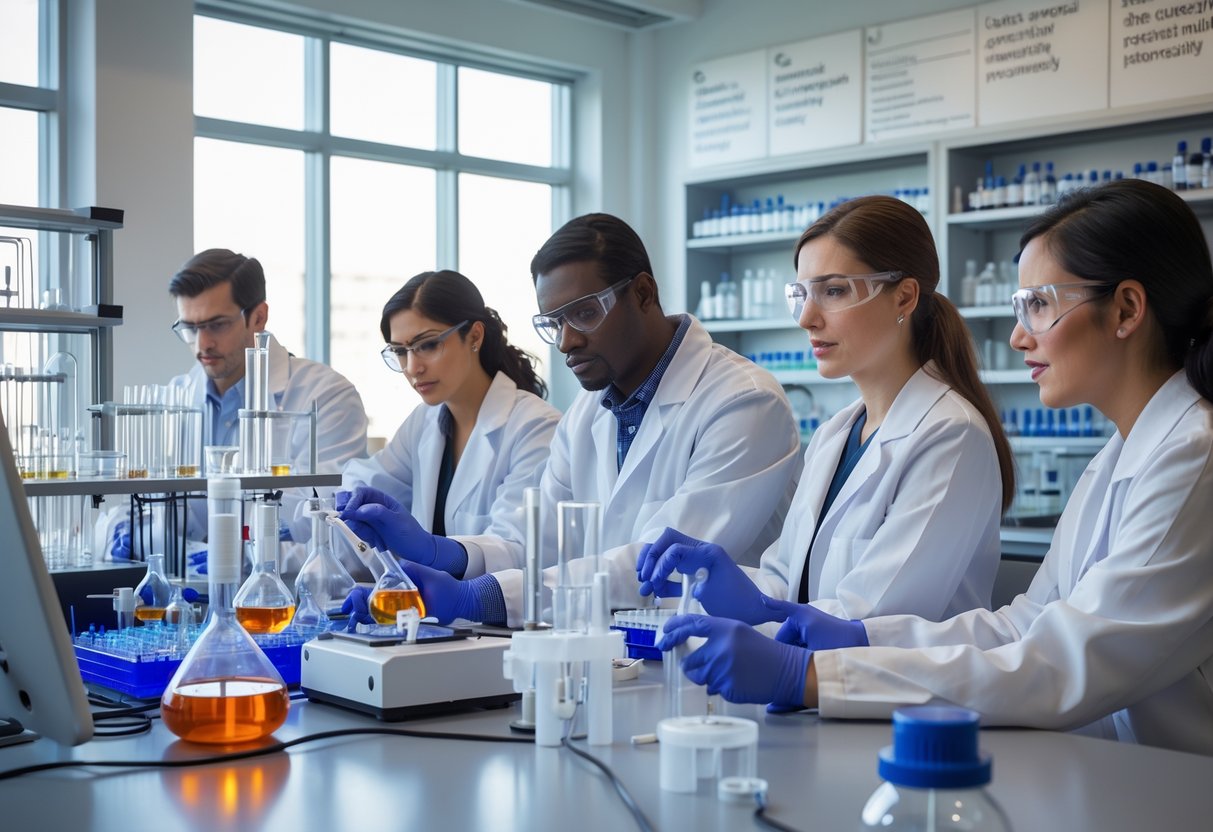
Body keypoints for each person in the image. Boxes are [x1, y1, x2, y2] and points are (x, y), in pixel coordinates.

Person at [658, 179, 1213, 755]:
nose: (1020, 336)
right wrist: (857, 636)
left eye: (1040, 305)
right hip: (1107, 767)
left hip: (1176, 785)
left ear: (1126, 308)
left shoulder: (1194, 457)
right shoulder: (1118, 457)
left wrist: (809, 675)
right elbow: (1024, 624)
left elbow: (1065, 665)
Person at [340, 213, 800, 627]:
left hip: (721, 670)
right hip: (616, 657)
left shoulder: (743, 402)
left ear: (643, 293)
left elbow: (662, 562)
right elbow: (534, 545)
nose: (566, 341)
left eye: (584, 313)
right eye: (553, 323)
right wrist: (443, 553)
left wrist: (478, 597)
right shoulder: (587, 416)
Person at [638, 195, 1014, 625]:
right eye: (802, 294)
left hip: (900, 690)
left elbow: (873, 622)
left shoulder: (953, 436)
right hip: (819, 685)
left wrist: (763, 613)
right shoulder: (836, 433)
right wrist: (709, 580)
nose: (807, 318)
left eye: (833, 291)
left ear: (904, 297)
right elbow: (787, 580)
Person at [103, 249, 369, 564]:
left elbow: (338, 538)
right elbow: (129, 511)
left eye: (216, 325)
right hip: (185, 597)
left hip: (283, 604)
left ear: (258, 317)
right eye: (190, 328)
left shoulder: (326, 397)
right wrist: (128, 533)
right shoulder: (174, 398)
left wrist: (243, 559)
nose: (202, 344)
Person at [335, 270, 560, 579]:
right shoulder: (424, 421)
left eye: (427, 345)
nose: (413, 368)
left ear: (475, 336)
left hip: (499, 621)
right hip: (433, 620)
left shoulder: (534, 427)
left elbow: (517, 552)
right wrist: (351, 504)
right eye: (400, 351)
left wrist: (433, 550)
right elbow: (370, 479)